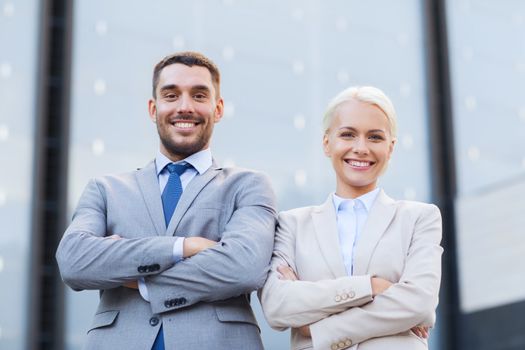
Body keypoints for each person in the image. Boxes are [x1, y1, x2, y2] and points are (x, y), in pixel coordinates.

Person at [56, 51, 276, 350]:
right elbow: (74, 261)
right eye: (171, 95)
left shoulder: (248, 185)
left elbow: (244, 267)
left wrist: (141, 280)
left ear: (219, 108)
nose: (185, 107)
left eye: (199, 95)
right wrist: (183, 247)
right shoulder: (105, 189)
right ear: (153, 108)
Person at [259, 86, 442, 350]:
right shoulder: (292, 224)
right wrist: (372, 286)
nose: (361, 148)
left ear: (390, 148)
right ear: (327, 143)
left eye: (375, 137)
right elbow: (278, 307)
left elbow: (420, 304)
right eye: (347, 134)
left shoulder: (419, 218)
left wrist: (317, 328)